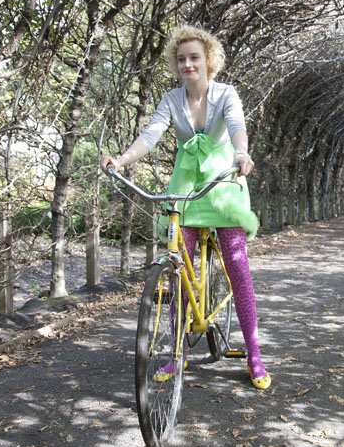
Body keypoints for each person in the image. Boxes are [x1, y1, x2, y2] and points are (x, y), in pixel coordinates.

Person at [99, 24, 270, 389]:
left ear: (208, 60)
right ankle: (176, 352)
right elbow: (151, 135)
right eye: (181, 59)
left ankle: (254, 353)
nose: (187, 64)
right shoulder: (171, 100)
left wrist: (242, 153)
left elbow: (237, 126)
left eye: (194, 57)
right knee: (178, 270)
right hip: (187, 186)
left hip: (222, 183)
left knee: (238, 271)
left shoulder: (226, 94)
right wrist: (122, 160)